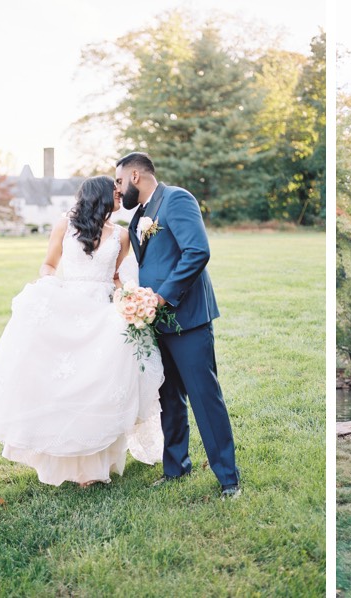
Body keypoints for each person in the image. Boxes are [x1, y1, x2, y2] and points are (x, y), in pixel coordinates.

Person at [0, 176, 164, 487]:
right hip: (68, 306)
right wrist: (49, 288)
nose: (120, 198)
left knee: (100, 382)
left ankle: (95, 466)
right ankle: (62, 458)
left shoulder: (121, 235)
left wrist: (130, 298)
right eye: (115, 194)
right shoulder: (66, 225)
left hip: (103, 311)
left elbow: (116, 275)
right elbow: (48, 265)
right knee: (65, 382)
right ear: (100, 196)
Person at [114, 152, 240, 498]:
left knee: (204, 397)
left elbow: (197, 252)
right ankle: (176, 467)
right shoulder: (138, 216)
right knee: (167, 398)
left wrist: (162, 297)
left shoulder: (177, 199)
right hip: (153, 321)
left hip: (188, 318)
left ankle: (228, 478)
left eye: (119, 181)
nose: (118, 188)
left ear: (136, 176)